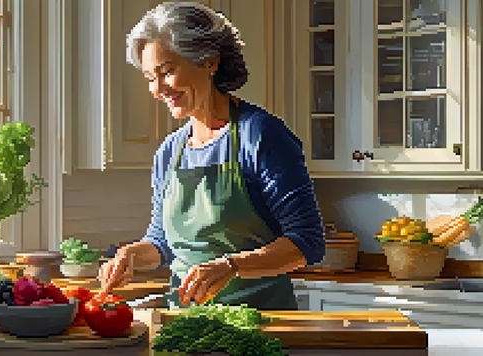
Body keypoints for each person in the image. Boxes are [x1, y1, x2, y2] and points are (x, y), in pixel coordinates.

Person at [97, 1, 471, 309]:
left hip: (262, 321)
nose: (158, 88)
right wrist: (131, 255)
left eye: (167, 71)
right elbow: (162, 243)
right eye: (149, 77)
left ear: (209, 62)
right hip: (188, 321)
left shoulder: (260, 135)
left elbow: (307, 241)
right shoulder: (170, 152)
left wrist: (232, 266)